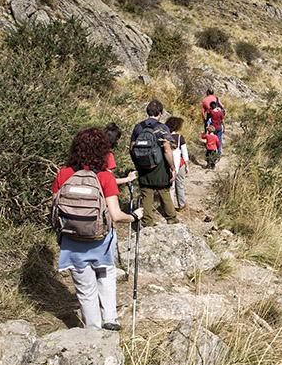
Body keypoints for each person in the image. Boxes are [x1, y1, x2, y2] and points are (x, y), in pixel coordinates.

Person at [52, 128, 143, 330]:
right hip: (100, 240)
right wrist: (134, 216)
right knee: (106, 276)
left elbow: (56, 210)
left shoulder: (64, 174)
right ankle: (110, 318)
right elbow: (116, 215)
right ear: (103, 150)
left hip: (72, 241)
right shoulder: (104, 177)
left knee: (85, 291)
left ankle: (93, 331)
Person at [130, 100, 178, 227]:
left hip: (143, 166)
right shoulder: (162, 128)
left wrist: (137, 164)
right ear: (160, 113)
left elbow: (131, 148)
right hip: (160, 166)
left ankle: (147, 221)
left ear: (147, 112)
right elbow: (167, 149)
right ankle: (172, 219)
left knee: (146, 193)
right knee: (164, 191)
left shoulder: (138, 127)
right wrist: (172, 167)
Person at [165, 116, 189, 211]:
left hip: (169, 164)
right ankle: (181, 205)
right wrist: (187, 165)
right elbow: (185, 153)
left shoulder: (165, 137)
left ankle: (170, 207)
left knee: (171, 186)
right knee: (180, 185)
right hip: (180, 164)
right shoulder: (179, 138)